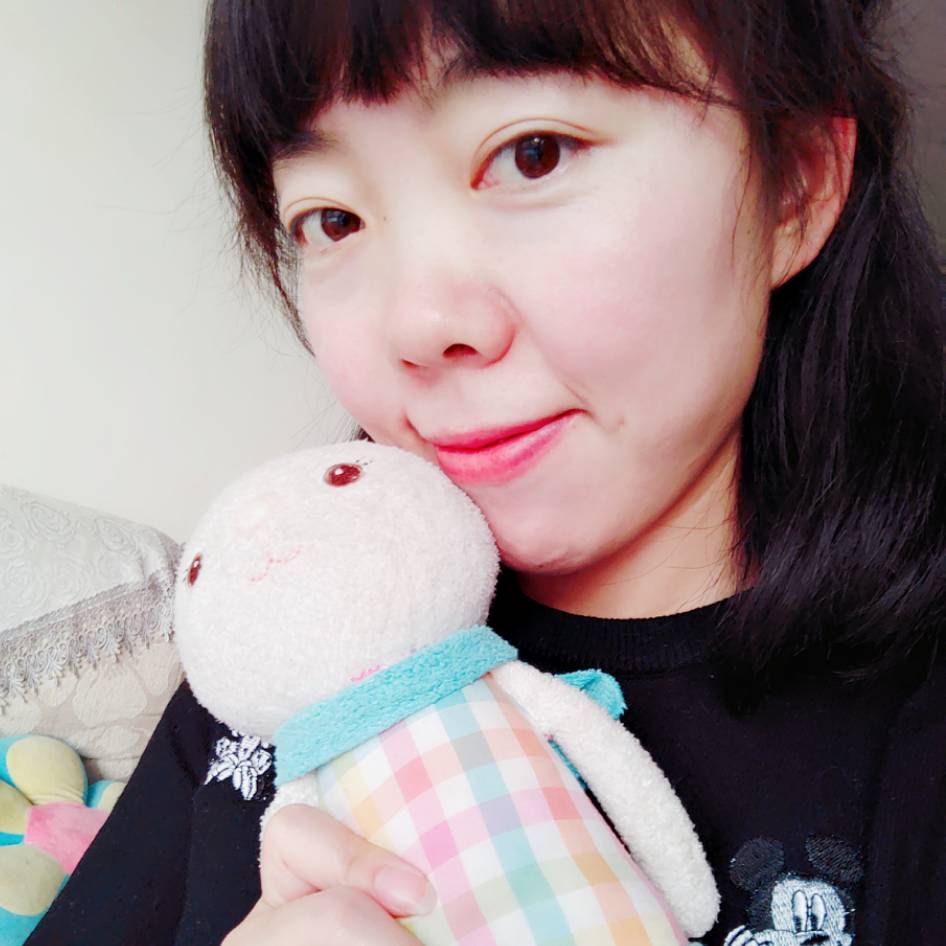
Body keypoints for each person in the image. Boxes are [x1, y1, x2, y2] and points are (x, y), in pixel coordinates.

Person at [27, 0, 944, 944]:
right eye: (333, 218)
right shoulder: (289, 626)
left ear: (794, 184)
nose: (419, 323)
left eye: (533, 154)